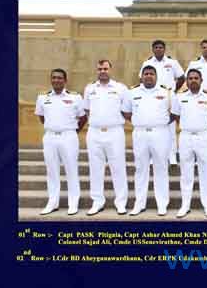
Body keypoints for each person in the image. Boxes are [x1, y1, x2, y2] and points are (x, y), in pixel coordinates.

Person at [122, 65, 173, 216]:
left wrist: (160, 122)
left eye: (151, 74)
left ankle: (162, 204)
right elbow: (126, 112)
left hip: (160, 133)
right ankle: (139, 203)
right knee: (140, 169)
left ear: (156, 77)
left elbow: (175, 113)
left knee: (161, 168)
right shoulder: (133, 92)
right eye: (146, 74)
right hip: (140, 134)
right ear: (141, 76)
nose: (148, 76)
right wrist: (139, 121)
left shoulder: (166, 92)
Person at [35, 69, 86, 215]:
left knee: (71, 170)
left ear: (65, 80)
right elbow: (42, 117)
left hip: (68, 137)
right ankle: (53, 202)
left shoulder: (75, 97)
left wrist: (72, 131)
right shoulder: (42, 98)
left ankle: (73, 203)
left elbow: (82, 117)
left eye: (60, 78)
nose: (57, 80)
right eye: (54, 78)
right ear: (51, 80)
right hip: (50, 137)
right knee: (52, 171)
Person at [172, 69, 207, 218]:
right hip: (185, 137)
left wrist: (201, 127)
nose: (193, 80)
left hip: (204, 136)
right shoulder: (179, 97)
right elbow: (176, 116)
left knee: (206, 172)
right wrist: (189, 126)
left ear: (201, 80)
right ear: (186, 81)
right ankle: (185, 205)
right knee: (186, 173)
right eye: (190, 78)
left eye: (196, 78)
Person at [83, 60, 129, 216]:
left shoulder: (120, 88)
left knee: (118, 168)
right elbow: (87, 110)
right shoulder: (89, 89)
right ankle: (97, 202)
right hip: (94, 132)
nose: (102, 71)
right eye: (100, 69)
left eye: (105, 68)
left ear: (111, 69)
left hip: (114, 132)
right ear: (97, 70)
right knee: (95, 168)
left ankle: (121, 203)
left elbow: (126, 109)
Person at [139, 40, 185, 165]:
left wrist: (173, 90)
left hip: (168, 97)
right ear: (153, 49)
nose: (159, 49)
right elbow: (141, 78)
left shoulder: (172, 62)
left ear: (164, 49)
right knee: (155, 125)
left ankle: (172, 157)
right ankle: (153, 157)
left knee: (170, 128)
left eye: (161, 47)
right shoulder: (147, 63)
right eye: (156, 47)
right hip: (152, 96)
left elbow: (181, 77)